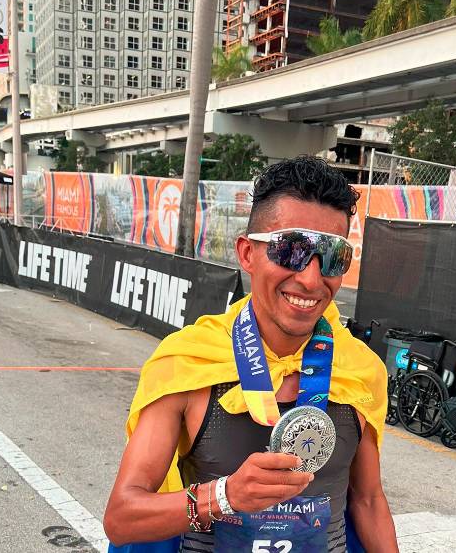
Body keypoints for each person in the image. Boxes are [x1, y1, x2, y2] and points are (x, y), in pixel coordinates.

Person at [104, 156, 399, 552]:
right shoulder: (190, 362)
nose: (311, 279)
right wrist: (223, 496)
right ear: (247, 254)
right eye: (291, 251)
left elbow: (368, 500)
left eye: (332, 256)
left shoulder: (359, 369)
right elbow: (122, 518)